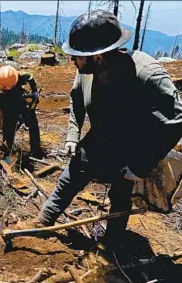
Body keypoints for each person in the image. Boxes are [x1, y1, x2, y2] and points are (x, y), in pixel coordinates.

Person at [38, 10, 182, 248]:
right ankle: (43, 222)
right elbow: (76, 100)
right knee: (70, 177)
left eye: (78, 57)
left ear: (99, 57)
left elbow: (176, 120)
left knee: (120, 194)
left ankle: (112, 245)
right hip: (99, 137)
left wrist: (140, 165)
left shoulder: (146, 74)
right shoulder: (85, 71)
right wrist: (73, 135)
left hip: (131, 146)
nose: (73, 61)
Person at [0, 65, 43, 159]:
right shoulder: (0, 93)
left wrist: (34, 91)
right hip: (9, 105)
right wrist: (18, 116)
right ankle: (7, 152)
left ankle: (36, 149)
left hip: (20, 97)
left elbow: (30, 77)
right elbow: (7, 112)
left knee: (32, 122)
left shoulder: (17, 76)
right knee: (8, 126)